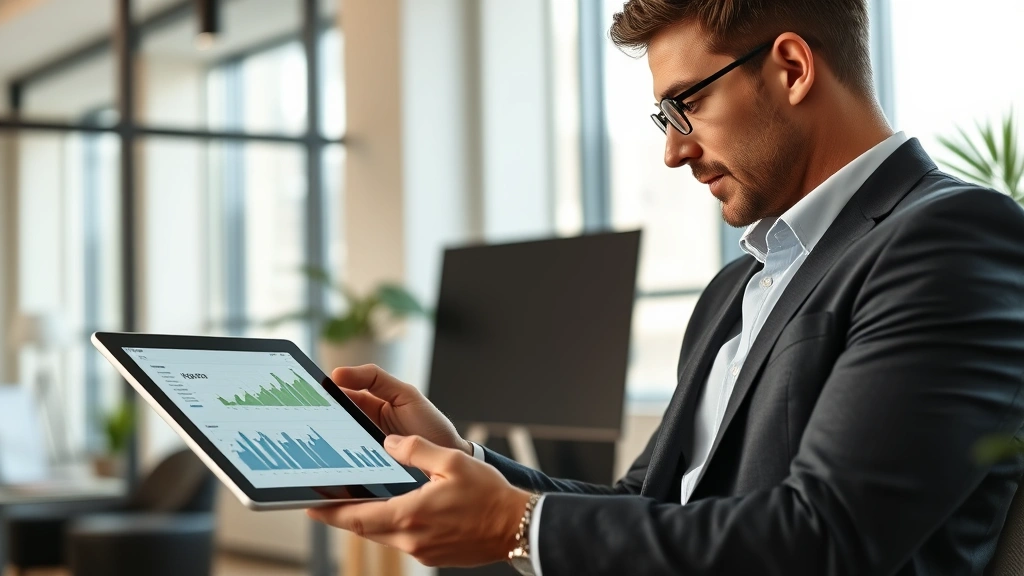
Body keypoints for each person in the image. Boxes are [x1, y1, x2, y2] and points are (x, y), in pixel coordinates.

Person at [307, 0, 1024, 574]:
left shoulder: (953, 235)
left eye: (687, 105)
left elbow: (829, 537)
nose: (674, 149)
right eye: (665, 117)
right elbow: (644, 505)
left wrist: (512, 524)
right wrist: (465, 462)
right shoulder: (736, 288)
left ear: (793, 67)